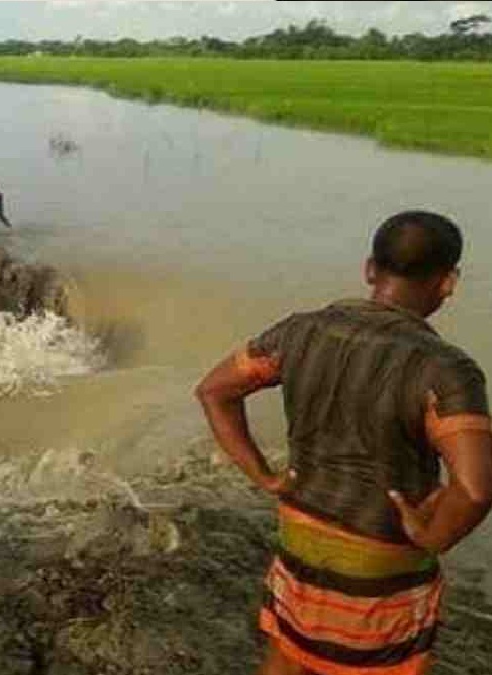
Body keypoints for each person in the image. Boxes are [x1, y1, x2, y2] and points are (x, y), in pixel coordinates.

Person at [195, 211, 490, 675]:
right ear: (449, 281)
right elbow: (474, 489)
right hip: (381, 562)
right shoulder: (445, 369)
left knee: (289, 650)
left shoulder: (299, 331)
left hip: (300, 537)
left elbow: (215, 390)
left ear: (371, 269)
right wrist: (432, 536)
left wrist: (262, 474)